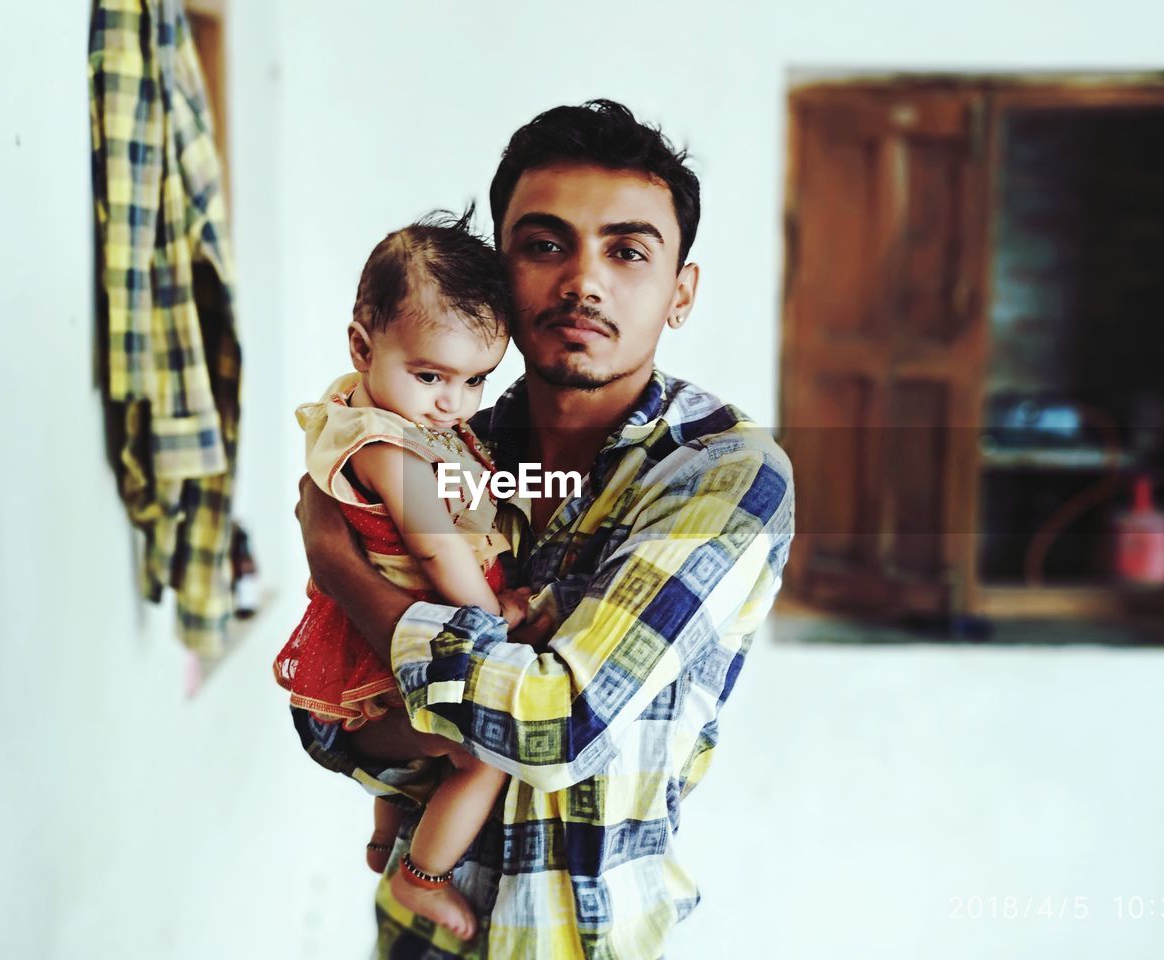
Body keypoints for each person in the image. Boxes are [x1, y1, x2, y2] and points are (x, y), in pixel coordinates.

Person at [293, 100, 795, 959]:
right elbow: (331, 727)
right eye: (545, 244)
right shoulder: (448, 444)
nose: (584, 282)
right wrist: (414, 702)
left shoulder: (724, 474)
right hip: (419, 937)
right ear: (498, 274)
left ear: (681, 293)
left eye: (628, 251)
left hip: (580, 941)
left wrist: (347, 576)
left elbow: (556, 726)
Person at [274, 212, 535, 940]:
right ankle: (423, 878)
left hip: (377, 627)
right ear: (362, 345)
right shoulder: (394, 449)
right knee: (483, 756)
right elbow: (438, 552)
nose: (454, 403)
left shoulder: (366, 405)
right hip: (413, 628)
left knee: (403, 745)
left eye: (477, 380)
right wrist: (492, 617)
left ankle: (382, 834)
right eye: (431, 376)